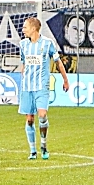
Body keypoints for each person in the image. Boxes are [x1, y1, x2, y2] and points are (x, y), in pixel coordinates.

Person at [18, 17, 69, 161]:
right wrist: (23, 75)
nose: (23, 30)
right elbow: (24, 63)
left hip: (42, 86)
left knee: (42, 116)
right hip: (27, 87)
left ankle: (44, 146)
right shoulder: (23, 45)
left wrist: (65, 80)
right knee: (29, 119)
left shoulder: (47, 44)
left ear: (33, 29)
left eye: (25, 27)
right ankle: (33, 151)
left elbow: (58, 63)